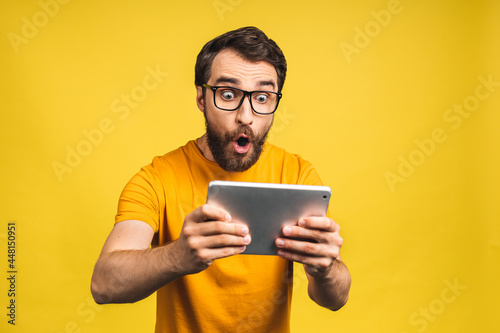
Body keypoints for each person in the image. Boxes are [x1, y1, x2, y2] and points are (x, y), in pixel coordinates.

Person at [91, 26, 351, 333]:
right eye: (228, 94)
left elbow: (336, 298)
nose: (245, 116)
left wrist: (324, 268)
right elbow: (104, 285)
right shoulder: (157, 178)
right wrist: (178, 256)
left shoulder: (296, 174)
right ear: (202, 98)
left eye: (263, 97)